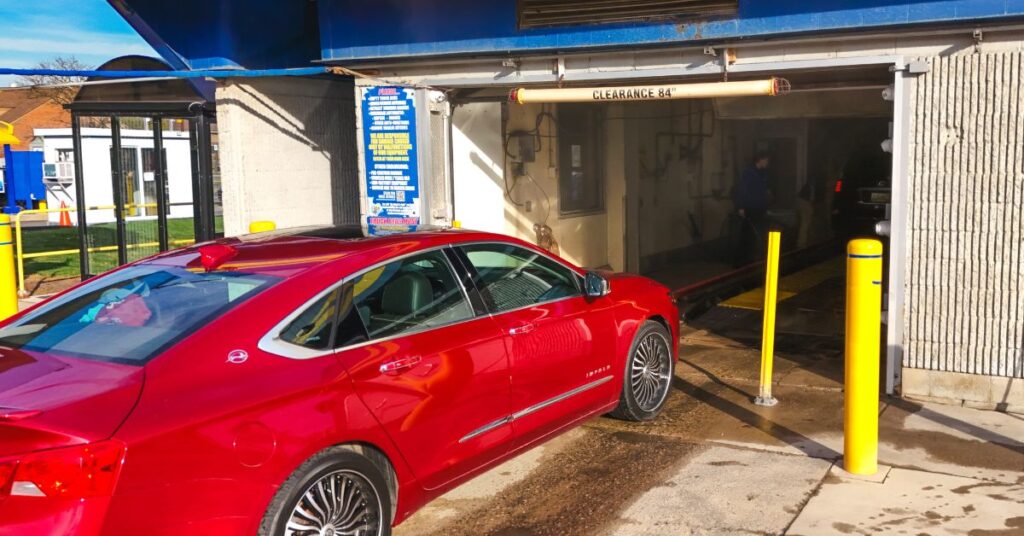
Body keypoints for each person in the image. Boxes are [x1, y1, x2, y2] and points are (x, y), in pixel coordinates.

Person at [733, 153, 771, 267]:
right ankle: (743, 259)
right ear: (760, 160)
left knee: (756, 231)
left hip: (759, 207)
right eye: (766, 160)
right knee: (748, 232)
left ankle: (752, 256)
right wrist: (741, 206)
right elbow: (743, 190)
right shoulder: (750, 173)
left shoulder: (762, 174)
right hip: (751, 207)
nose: (767, 163)